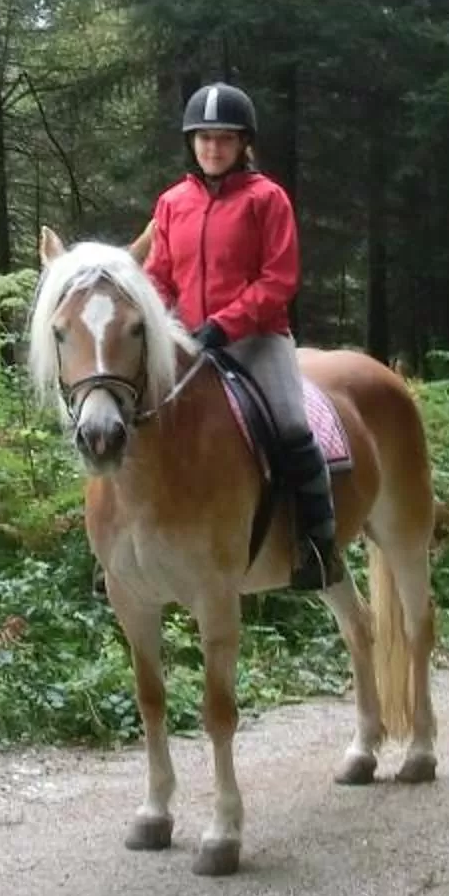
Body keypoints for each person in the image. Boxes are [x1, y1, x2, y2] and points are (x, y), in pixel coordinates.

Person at [141, 82, 342, 590]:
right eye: (204, 138)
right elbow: (158, 274)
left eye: (224, 138)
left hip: (257, 339)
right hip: (187, 341)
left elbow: (279, 279)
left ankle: (318, 544)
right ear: (192, 142)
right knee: (130, 418)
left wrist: (225, 324)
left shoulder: (267, 199)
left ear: (242, 143)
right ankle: (122, 552)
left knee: (292, 427)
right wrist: (164, 319)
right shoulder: (171, 203)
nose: (213, 148)